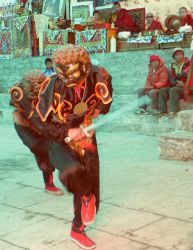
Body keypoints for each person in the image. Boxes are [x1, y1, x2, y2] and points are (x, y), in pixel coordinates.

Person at [10, 44, 113, 250]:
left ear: (84, 67)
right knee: (75, 174)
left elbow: (105, 103)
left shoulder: (99, 76)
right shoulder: (51, 86)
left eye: (73, 72)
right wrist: (66, 132)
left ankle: (78, 227)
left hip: (85, 135)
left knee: (91, 183)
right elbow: (39, 122)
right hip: (57, 137)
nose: (68, 79)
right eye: (61, 73)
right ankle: (77, 199)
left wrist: (93, 115)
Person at [10, 71, 64, 196]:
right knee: (42, 149)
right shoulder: (19, 92)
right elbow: (34, 119)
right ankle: (49, 185)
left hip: (44, 121)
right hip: (25, 125)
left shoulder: (50, 86)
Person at [158, 48, 190, 116]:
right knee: (162, 90)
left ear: (183, 55)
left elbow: (190, 77)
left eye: (181, 54)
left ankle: (174, 112)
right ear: (174, 57)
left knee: (173, 90)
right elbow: (172, 79)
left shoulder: (189, 64)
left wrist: (183, 84)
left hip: (186, 87)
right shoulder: (172, 66)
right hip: (177, 85)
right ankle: (162, 111)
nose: (179, 56)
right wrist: (177, 83)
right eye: (177, 55)